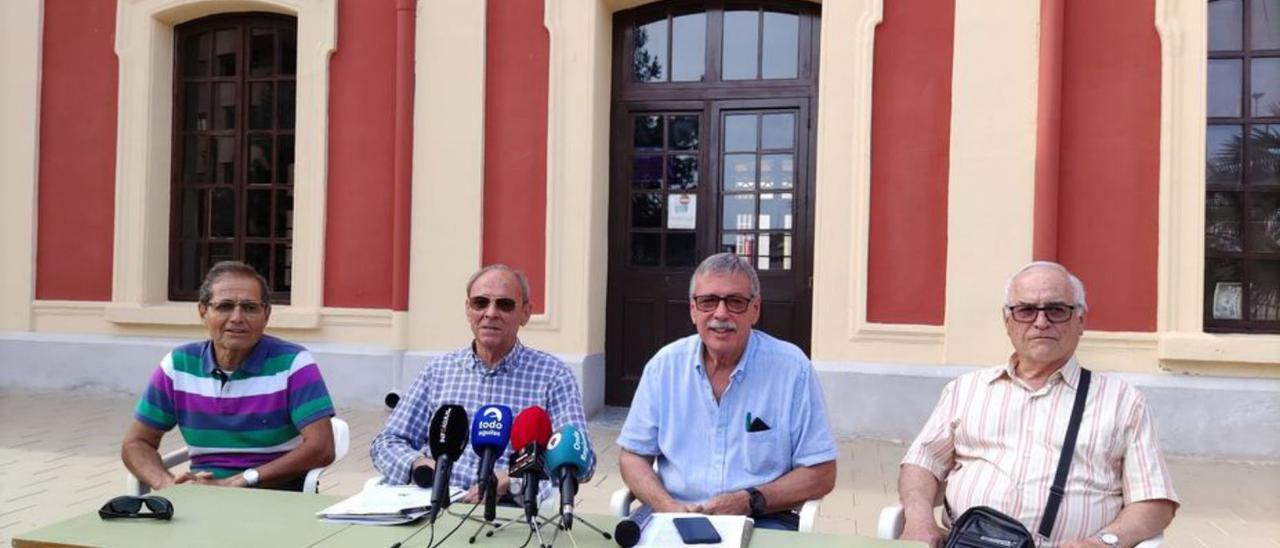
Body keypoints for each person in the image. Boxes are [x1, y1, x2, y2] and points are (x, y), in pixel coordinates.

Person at [897, 261, 1178, 548]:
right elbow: (921, 462)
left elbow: (1154, 501)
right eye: (1026, 310)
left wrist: (1104, 542)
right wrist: (919, 522)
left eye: (1056, 310)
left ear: (1080, 320)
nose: (1041, 322)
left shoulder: (1123, 402)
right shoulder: (965, 389)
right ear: (1008, 321)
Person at [616, 253, 838, 531]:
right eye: (708, 301)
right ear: (693, 310)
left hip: (761, 517)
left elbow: (822, 473)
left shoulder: (792, 369)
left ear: (755, 310)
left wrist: (750, 500)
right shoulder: (664, 366)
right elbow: (633, 455)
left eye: (735, 302)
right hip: (672, 512)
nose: (721, 313)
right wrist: (667, 506)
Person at [370, 265, 591, 504]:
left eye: (504, 304)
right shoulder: (438, 371)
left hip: (509, 511)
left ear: (526, 313)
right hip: (436, 503)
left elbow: (579, 460)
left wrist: (516, 476)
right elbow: (387, 442)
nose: (490, 313)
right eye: (480, 303)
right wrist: (417, 465)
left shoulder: (554, 376)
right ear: (468, 309)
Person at [121, 261, 336, 491]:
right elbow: (136, 443)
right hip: (204, 495)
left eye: (250, 307)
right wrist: (168, 484)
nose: (237, 317)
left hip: (277, 495)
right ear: (203, 312)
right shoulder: (178, 365)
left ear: (267, 314)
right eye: (224, 306)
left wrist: (240, 481)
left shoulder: (293, 363)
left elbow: (322, 447)